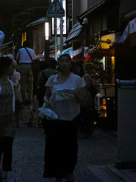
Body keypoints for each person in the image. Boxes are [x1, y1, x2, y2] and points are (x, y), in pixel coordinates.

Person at [43, 54, 86, 182]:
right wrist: (46, 104)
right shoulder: (52, 79)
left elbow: (82, 99)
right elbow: (46, 95)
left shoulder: (77, 80)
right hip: (55, 118)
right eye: (62, 61)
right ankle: (57, 174)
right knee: (55, 148)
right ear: (58, 63)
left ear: (71, 64)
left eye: (67, 61)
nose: (64, 63)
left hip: (71, 117)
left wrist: (76, 95)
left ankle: (69, 171)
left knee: (71, 147)